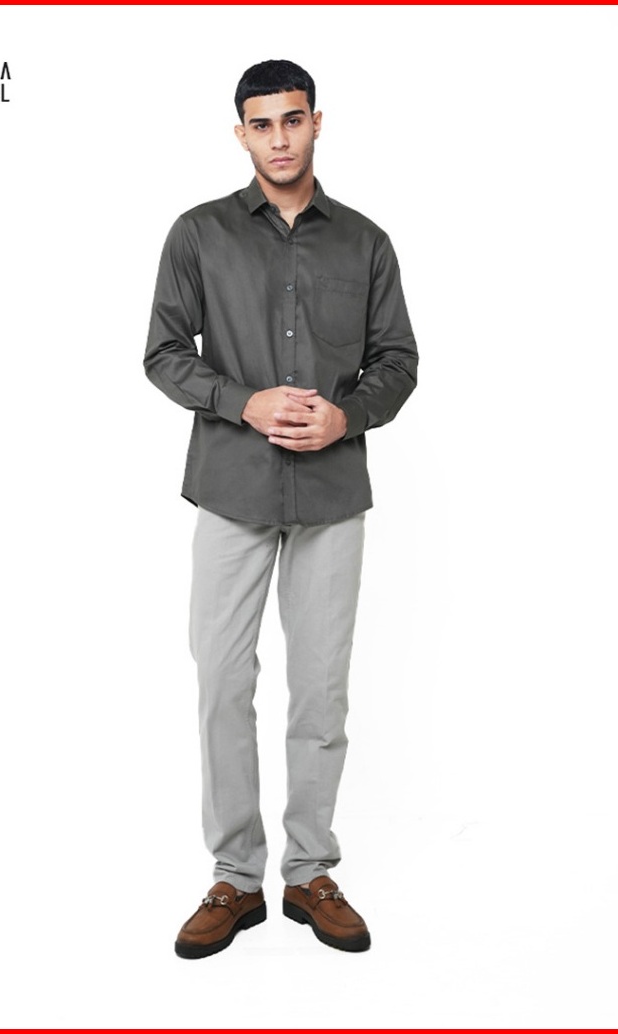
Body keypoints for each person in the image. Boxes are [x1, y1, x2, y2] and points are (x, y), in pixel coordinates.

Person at [143, 58, 418, 959]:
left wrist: (348, 414)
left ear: (316, 122)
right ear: (242, 134)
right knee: (223, 681)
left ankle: (309, 872)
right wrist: (243, 401)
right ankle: (235, 876)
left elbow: (398, 361)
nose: (279, 138)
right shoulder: (199, 233)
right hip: (232, 486)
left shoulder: (365, 242)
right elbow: (162, 352)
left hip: (332, 493)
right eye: (261, 124)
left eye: (292, 119)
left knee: (321, 691)